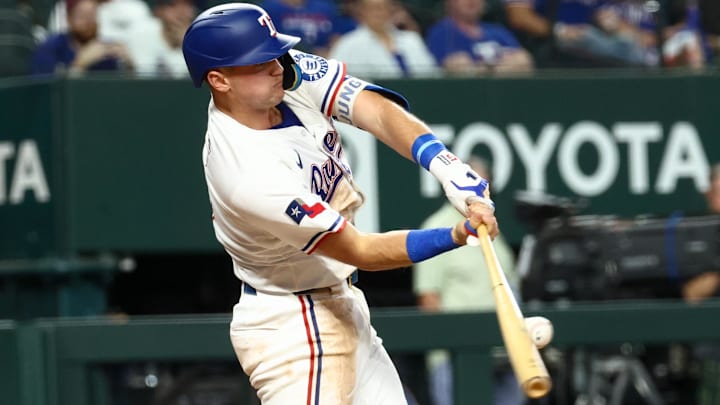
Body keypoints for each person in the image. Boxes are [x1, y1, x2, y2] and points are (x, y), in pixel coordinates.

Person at [181, 3, 498, 404]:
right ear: (219, 80)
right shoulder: (247, 172)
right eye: (259, 63)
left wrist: (446, 165)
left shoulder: (283, 74)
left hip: (340, 302)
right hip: (292, 325)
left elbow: (377, 111)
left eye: (274, 53)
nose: (277, 66)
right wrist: (456, 234)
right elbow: (360, 250)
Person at [413, 156, 523, 405]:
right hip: (455, 357)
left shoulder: (497, 235)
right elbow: (429, 298)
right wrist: (448, 343)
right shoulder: (435, 227)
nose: (480, 193)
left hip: (504, 355)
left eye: (484, 185)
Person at [503, 0, 650, 68]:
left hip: (595, 41)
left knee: (630, 43)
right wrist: (560, 30)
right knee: (590, 36)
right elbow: (519, 16)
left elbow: (608, 14)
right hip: (552, 42)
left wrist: (612, 23)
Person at [328, 0, 439, 79]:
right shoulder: (348, 44)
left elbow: (432, 76)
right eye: (373, 9)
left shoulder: (411, 40)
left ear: (390, 10)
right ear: (362, 11)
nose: (378, 13)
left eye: (383, 8)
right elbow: (333, 81)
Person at [425, 0, 533, 75]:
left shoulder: (497, 31)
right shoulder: (441, 32)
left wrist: (484, 70)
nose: (472, 1)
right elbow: (448, 68)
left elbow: (523, 59)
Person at [31, 0, 133, 75]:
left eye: (92, 16)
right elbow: (45, 94)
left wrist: (129, 67)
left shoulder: (106, 52)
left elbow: (124, 94)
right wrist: (79, 65)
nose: (88, 22)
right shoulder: (50, 48)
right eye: (82, 16)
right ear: (69, 19)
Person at [125, 0, 197, 77]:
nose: (181, 12)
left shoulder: (200, 39)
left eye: (187, 5)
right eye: (172, 5)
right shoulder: (142, 31)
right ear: (159, 10)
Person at [259, 0, 340, 57]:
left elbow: (336, 37)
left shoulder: (325, 7)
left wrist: (332, 52)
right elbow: (268, 42)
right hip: (285, 57)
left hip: (322, 57)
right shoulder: (271, 8)